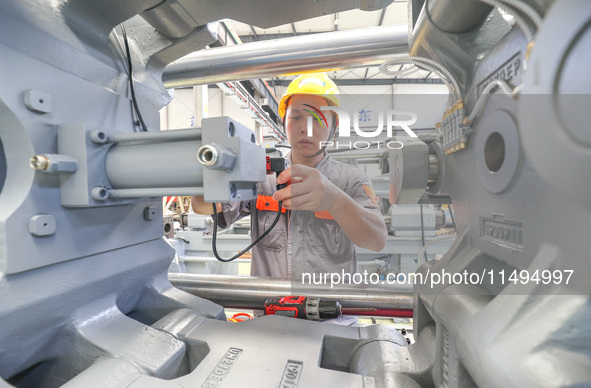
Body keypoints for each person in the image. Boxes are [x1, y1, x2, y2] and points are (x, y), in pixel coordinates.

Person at [192, 73, 387, 280]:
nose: (305, 128)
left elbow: (377, 240)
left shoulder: (351, 180)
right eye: (296, 117)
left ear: (334, 127)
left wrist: (334, 199)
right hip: (271, 309)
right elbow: (202, 207)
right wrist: (211, 171)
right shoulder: (261, 176)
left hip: (333, 310)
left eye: (317, 118)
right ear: (285, 122)